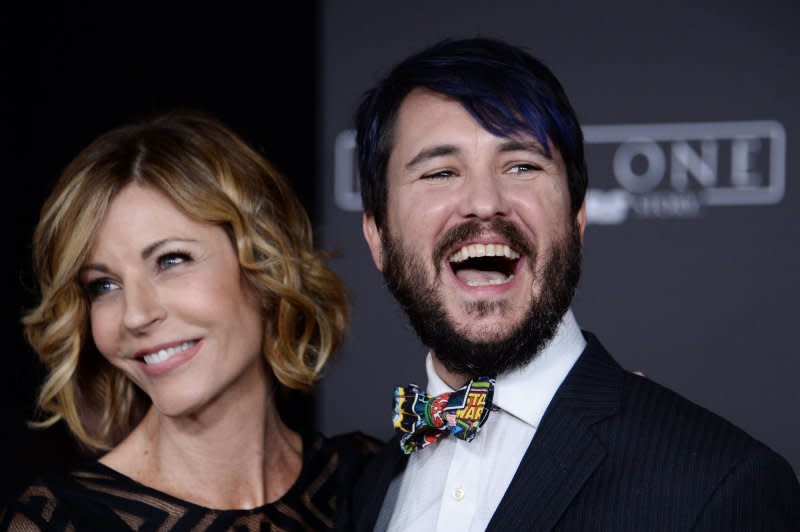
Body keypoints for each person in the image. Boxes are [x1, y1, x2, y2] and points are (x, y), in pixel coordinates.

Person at [350, 37, 800, 531]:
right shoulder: (367, 490)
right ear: (378, 237)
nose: (483, 201)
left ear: (577, 217)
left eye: (521, 166)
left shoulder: (721, 482)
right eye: (440, 172)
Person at [1, 109, 378, 530]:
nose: (137, 315)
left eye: (171, 260)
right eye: (103, 286)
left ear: (265, 265)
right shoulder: (61, 520)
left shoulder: (368, 482)